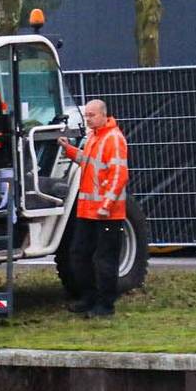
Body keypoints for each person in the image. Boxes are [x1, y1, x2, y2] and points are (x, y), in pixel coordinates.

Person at [56, 99, 129, 318]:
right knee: (78, 254)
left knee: (105, 259)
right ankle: (89, 298)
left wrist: (106, 205)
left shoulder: (113, 138)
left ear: (104, 115)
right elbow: (88, 161)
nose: (87, 119)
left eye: (92, 115)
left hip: (106, 214)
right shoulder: (94, 137)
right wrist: (69, 150)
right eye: (86, 115)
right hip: (88, 211)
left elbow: (119, 175)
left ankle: (105, 305)